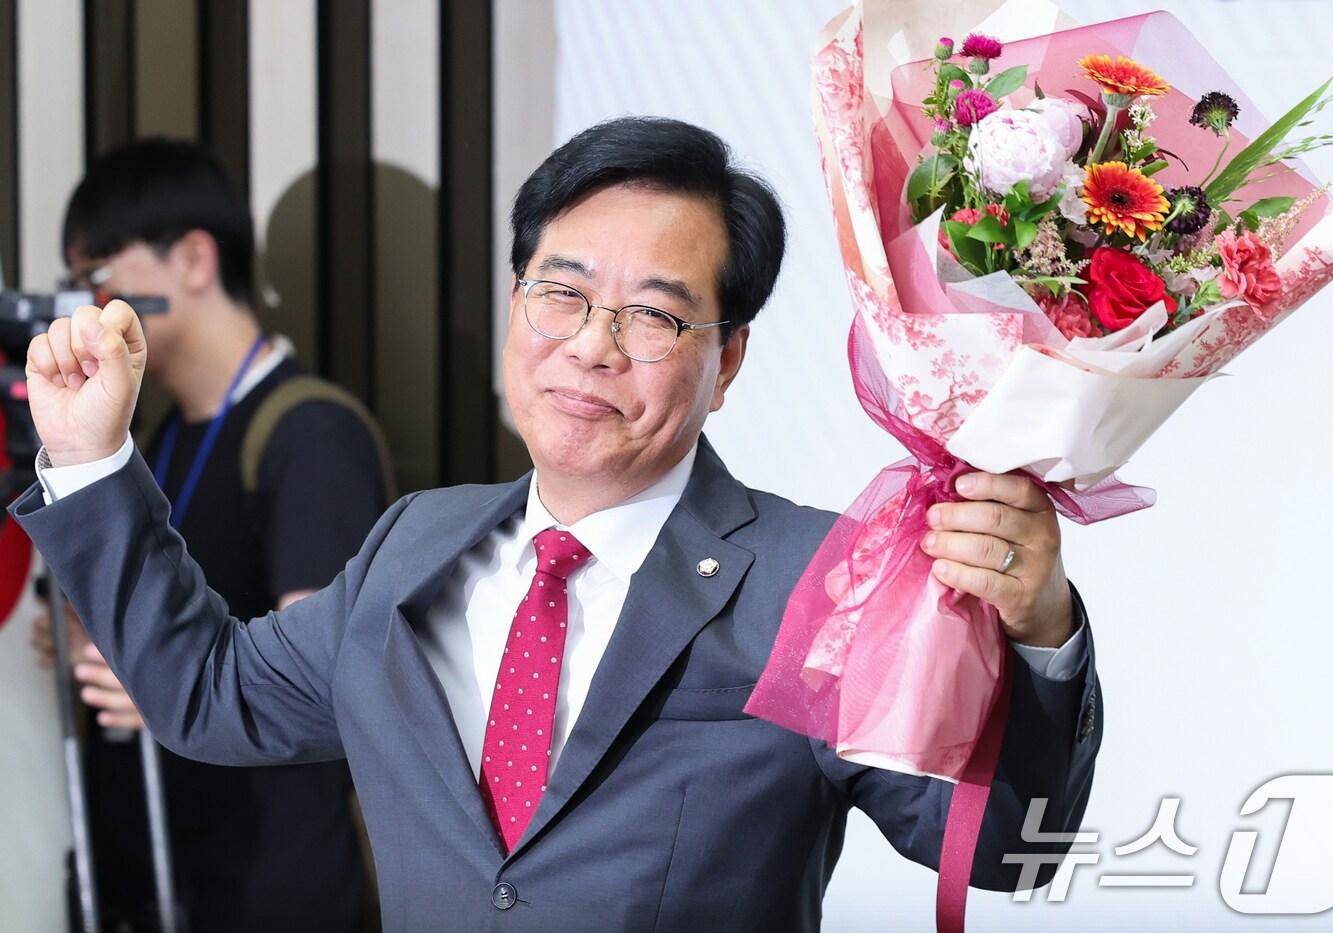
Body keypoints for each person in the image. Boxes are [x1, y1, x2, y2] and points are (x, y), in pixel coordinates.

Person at [15, 118, 1100, 931]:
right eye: (561, 293)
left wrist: (1038, 629)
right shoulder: (410, 546)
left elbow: (1004, 851)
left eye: (655, 314)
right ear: (514, 304)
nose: (590, 345)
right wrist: (91, 457)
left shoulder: (824, 581)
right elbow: (209, 695)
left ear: (726, 360)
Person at [28, 139, 390, 932]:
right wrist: (103, 639)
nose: (85, 304)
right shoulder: (153, 435)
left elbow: (320, 684)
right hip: (154, 876)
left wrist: (163, 678)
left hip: (263, 888)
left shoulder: (311, 434)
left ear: (194, 260)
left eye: (98, 275)